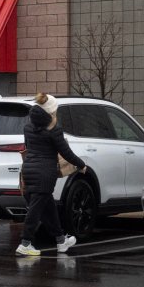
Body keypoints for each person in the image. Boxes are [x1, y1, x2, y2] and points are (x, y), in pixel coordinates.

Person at [16, 93, 87, 257]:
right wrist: (81, 165)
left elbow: (29, 147)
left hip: (28, 170)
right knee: (35, 209)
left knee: (49, 208)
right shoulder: (53, 130)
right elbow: (66, 152)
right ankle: (25, 243)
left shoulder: (28, 127)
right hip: (45, 173)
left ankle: (61, 241)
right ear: (51, 112)